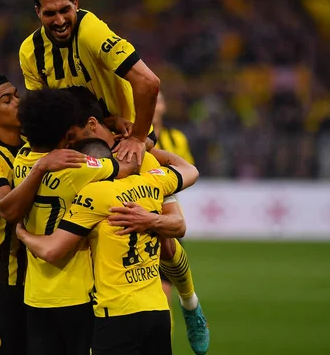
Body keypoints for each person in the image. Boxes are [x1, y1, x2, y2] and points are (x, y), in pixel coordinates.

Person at [16, 138, 199, 355]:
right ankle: (190, 301)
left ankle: (190, 301)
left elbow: (51, 250)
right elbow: (190, 170)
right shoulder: (152, 182)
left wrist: (22, 233)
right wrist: (148, 147)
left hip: (116, 314)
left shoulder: (95, 194)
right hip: (157, 311)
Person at [67, 86, 210, 354]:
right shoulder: (79, 148)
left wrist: (146, 149)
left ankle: (190, 304)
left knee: (167, 243)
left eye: (73, 135)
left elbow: (179, 223)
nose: (70, 141)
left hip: (147, 175)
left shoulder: (141, 144)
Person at [0, 74, 86, 355]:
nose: (18, 102)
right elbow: (8, 209)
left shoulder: (32, 144)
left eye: (17, 95)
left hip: (32, 284)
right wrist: (41, 168)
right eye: (7, 100)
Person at [12, 88, 137, 355]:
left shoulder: (22, 159)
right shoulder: (77, 166)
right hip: (76, 294)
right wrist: (139, 140)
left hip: (35, 296)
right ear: (67, 133)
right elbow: (128, 166)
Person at [19, 0, 160, 165]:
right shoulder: (30, 52)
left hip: (123, 141)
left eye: (65, 10)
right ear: (38, 12)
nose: (60, 21)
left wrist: (138, 138)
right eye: (50, 13)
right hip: (77, 148)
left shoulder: (92, 33)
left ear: (76, 4)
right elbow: (42, 115)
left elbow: (148, 82)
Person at [152, 91, 195, 317]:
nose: (154, 104)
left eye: (158, 99)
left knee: (164, 292)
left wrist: (159, 183)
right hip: (138, 211)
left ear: (165, 107)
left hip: (167, 214)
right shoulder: (126, 137)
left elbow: (187, 173)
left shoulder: (176, 139)